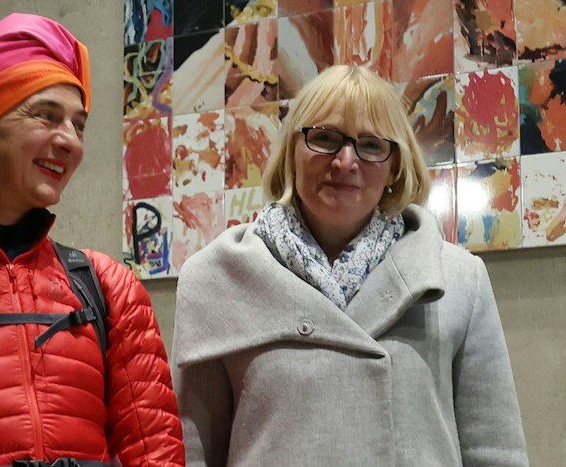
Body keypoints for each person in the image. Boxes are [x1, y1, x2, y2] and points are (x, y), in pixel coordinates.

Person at [173, 63, 529, 467]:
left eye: (372, 145)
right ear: (293, 149)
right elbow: (191, 453)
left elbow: (494, 453)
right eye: (324, 138)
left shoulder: (458, 281)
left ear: (395, 165)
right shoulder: (219, 279)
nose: (345, 162)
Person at [0, 13, 183, 467]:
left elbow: (156, 455)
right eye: (46, 116)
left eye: (79, 124)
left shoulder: (108, 288)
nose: (70, 141)